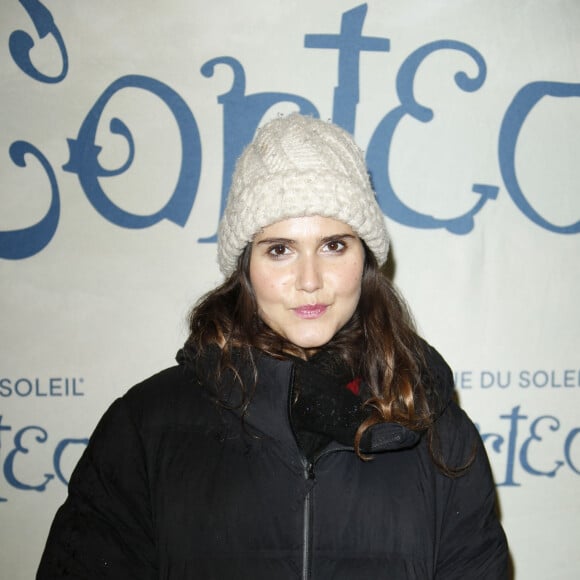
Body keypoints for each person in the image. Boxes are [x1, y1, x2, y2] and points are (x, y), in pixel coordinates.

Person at [37, 113, 508, 579]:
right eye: (279, 249)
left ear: (365, 257)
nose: (309, 281)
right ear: (245, 267)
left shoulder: (437, 430)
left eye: (334, 246)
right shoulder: (145, 427)